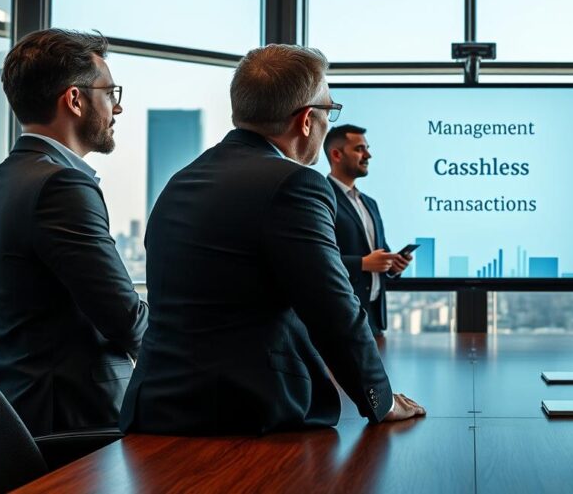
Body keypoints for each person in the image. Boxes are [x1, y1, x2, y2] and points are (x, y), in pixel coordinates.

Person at [120, 45, 425, 435]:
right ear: (305, 120)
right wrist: (380, 401)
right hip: (246, 417)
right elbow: (332, 308)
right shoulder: (295, 183)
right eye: (329, 113)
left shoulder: (182, 180)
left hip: (156, 411)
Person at [0, 29, 148, 437]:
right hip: (76, 422)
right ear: (75, 99)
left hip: (24, 412)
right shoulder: (60, 186)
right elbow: (123, 317)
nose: (117, 109)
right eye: (110, 92)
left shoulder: (1, 184)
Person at [324, 124, 412, 337]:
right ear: (336, 154)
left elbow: (379, 251)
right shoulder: (322, 198)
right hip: (340, 318)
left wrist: (393, 264)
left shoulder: (370, 203)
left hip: (373, 318)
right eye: (359, 149)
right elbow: (316, 260)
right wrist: (363, 263)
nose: (368, 155)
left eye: (367, 148)